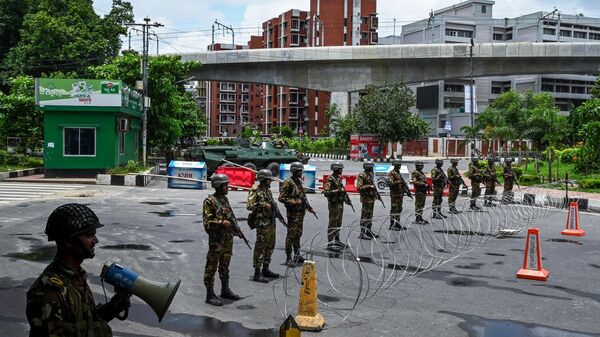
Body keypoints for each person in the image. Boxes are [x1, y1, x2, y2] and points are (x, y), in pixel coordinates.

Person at [26, 203, 130, 337]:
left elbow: (84, 320)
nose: (95, 240)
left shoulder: (76, 276)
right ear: (68, 241)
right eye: (89, 235)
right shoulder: (48, 291)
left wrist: (112, 308)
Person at [203, 174, 241, 306]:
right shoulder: (210, 201)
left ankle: (225, 289)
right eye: (225, 185)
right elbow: (207, 223)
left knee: (225, 265)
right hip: (216, 241)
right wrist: (221, 223)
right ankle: (210, 294)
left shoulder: (224, 199)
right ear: (218, 186)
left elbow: (231, 217)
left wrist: (236, 230)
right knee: (211, 266)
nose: (227, 187)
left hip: (227, 239)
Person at [247, 169, 281, 283]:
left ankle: (266, 268)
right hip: (262, 224)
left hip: (270, 222)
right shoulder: (255, 190)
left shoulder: (267, 190)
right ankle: (257, 272)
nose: (270, 182)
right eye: (268, 180)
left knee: (270, 245)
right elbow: (250, 206)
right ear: (263, 179)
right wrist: (263, 205)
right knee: (260, 247)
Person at [279, 162, 314, 267]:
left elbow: (303, 197)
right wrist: (295, 202)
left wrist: (309, 207)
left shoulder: (298, 182)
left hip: (300, 214)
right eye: (300, 170)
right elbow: (282, 198)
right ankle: (288, 257)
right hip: (293, 214)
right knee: (291, 235)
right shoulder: (288, 182)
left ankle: (297, 255)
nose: (301, 172)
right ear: (294, 171)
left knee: (298, 234)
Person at [323, 162, 352, 251]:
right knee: (333, 224)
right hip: (334, 205)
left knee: (338, 223)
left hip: (339, 204)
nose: (342, 170)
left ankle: (337, 240)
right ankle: (330, 243)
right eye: (340, 169)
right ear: (336, 169)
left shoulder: (337, 179)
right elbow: (326, 192)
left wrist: (347, 200)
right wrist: (337, 190)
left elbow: (342, 191)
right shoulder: (330, 179)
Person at [357, 162, 379, 239]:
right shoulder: (362, 175)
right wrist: (369, 186)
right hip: (366, 198)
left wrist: (376, 194)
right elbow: (359, 187)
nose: (372, 169)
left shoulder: (370, 175)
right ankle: (362, 233)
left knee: (370, 216)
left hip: (371, 198)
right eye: (371, 167)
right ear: (368, 168)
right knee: (365, 215)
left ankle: (368, 231)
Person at [387, 159, 408, 230]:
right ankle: (392, 225)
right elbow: (390, 184)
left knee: (399, 209)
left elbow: (403, 184)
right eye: (399, 164)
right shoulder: (391, 173)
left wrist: (406, 190)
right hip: (394, 194)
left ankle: (397, 223)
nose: (400, 165)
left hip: (400, 194)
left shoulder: (398, 173)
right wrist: (398, 181)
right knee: (394, 209)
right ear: (396, 165)